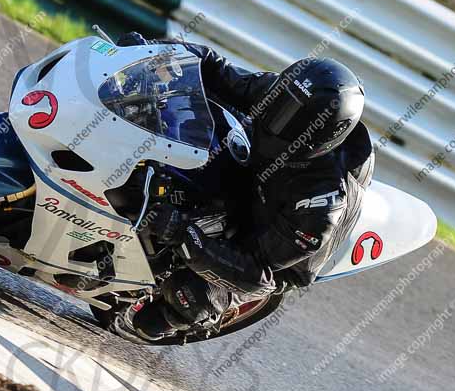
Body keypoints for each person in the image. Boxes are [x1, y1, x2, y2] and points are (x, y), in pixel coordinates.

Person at [115, 32, 375, 341]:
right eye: (281, 102)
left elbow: (258, 272)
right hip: (257, 174)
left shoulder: (320, 203)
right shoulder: (280, 95)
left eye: (291, 119)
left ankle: (187, 314)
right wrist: (155, 50)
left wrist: (184, 234)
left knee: (177, 301)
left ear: (319, 138)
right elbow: (212, 68)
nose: (276, 116)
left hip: (270, 250)